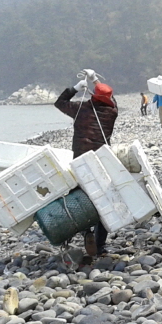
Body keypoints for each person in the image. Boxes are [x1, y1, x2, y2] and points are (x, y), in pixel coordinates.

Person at [54, 72, 118, 257]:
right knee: (102, 200)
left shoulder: (81, 108)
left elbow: (59, 103)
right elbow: (111, 99)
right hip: (100, 162)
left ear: (92, 96)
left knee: (82, 199)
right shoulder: (111, 112)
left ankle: (86, 232)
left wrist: (75, 88)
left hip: (81, 162)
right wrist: (95, 80)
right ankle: (100, 245)